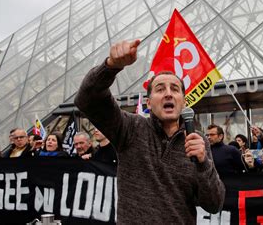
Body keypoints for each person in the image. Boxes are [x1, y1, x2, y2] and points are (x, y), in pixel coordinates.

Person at [74, 39, 225, 224]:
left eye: (175, 89)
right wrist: (111, 67)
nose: (168, 93)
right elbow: (87, 99)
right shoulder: (130, 128)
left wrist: (203, 164)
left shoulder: (197, 140)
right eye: (160, 89)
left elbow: (214, 204)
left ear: (184, 101)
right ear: (149, 103)